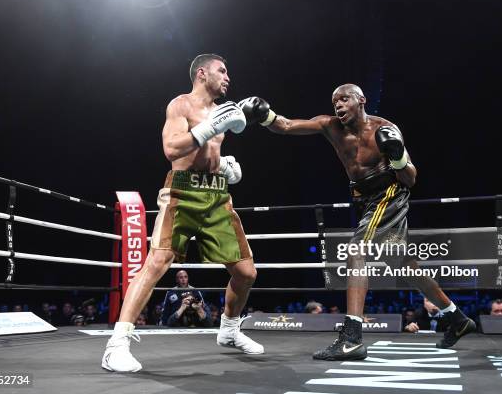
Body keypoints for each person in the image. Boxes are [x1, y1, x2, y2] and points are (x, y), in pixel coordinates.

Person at [240, 84, 476, 360]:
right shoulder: (329, 126)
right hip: (363, 199)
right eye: (334, 101)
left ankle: (352, 338)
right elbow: (287, 125)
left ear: (361, 100)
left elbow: (410, 179)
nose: (338, 105)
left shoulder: (384, 129)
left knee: (356, 252)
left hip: (388, 195)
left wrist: (397, 156)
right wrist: (265, 115)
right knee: (401, 263)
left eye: (344, 99)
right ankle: (457, 318)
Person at [102, 53, 262, 373]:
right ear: (202, 74)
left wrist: (225, 167)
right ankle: (116, 344)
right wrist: (209, 127)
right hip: (182, 193)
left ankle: (229, 332)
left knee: (246, 273)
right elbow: (172, 149)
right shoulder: (181, 105)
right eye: (222, 70)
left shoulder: (223, 111)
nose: (228, 76)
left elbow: (208, 152)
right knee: (158, 260)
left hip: (217, 196)